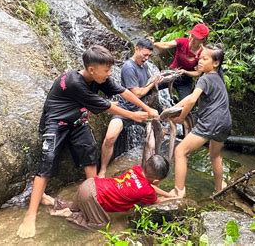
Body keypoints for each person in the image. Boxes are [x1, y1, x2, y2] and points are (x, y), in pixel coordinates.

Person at [17, 45, 159, 238]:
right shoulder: (75, 82)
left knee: (89, 151)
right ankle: (30, 214)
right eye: (107, 70)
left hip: (76, 121)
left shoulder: (100, 77)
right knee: (48, 160)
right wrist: (133, 116)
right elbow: (107, 106)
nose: (109, 74)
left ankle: (94, 197)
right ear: (92, 69)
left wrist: (147, 109)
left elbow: (123, 92)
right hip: (56, 122)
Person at [42, 154, 176, 230]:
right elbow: (157, 201)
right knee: (101, 224)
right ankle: (68, 215)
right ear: (157, 179)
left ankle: (51, 201)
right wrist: (175, 198)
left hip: (90, 184)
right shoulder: (146, 191)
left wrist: (168, 193)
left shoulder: (136, 169)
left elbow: (150, 187)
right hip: (92, 196)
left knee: (78, 206)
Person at [169, 44, 231, 198]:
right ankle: (218, 187)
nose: (200, 62)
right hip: (225, 122)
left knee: (180, 152)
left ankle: (178, 191)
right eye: (200, 58)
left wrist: (181, 118)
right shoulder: (218, 76)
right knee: (215, 155)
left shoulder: (204, 79)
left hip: (210, 122)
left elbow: (192, 101)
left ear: (215, 63)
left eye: (205, 59)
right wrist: (173, 108)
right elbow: (190, 98)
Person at [99, 39, 162, 178]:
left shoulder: (144, 66)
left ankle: (149, 172)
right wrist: (152, 84)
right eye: (145, 55)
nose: (146, 58)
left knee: (152, 140)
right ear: (137, 49)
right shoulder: (129, 67)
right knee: (110, 137)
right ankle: (103, 170)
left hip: (142, 111)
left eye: (149, 56)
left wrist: (154, 82)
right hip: (126, 110)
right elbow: (137, 93)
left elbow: (145, 87)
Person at [153, 23, 210, 100]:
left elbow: (198, 73)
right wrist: (153, 44)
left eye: (196, 38)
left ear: (203, 39)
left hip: (185, 81)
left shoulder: (203, 53)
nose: (192, 39)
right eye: (192, 35)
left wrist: (185, 72)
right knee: (151, 87)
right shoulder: (182, 42)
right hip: (171, 73)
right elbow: (166, 45)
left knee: (185, 104)